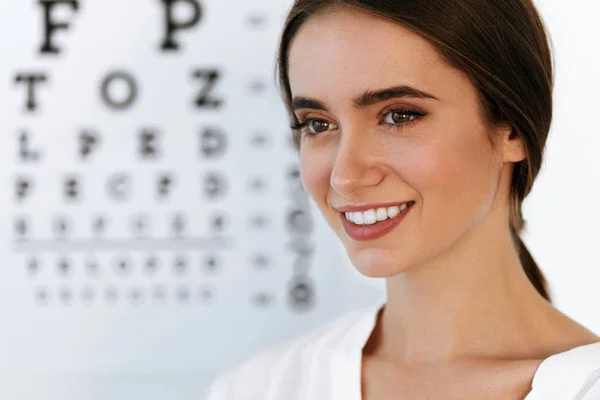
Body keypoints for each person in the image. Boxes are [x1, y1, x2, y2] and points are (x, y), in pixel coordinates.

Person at [207, 0, 600, 398]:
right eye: (318, 124)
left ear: (512, 129)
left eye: (399, 116)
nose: (345, 176)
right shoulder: (260, 387)